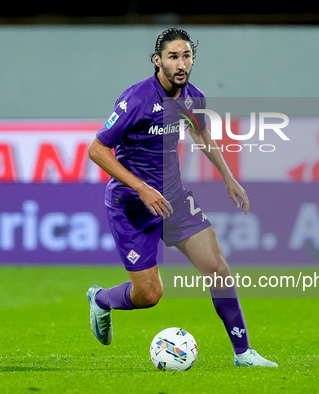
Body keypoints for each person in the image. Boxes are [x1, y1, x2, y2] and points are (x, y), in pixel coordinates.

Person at [86, 27, 277, 367]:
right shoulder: (136, 100)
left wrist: (228, 177)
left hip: (173, 200)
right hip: (131, 206)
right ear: (157, 60)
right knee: (149, 295)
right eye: (173, 56)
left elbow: (200, 132)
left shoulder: (193, 98)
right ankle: (101, 299)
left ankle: (243, 353)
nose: (181, 63)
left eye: (186, 56)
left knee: (218, 269)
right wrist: (142, 188)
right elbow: (97, 150)